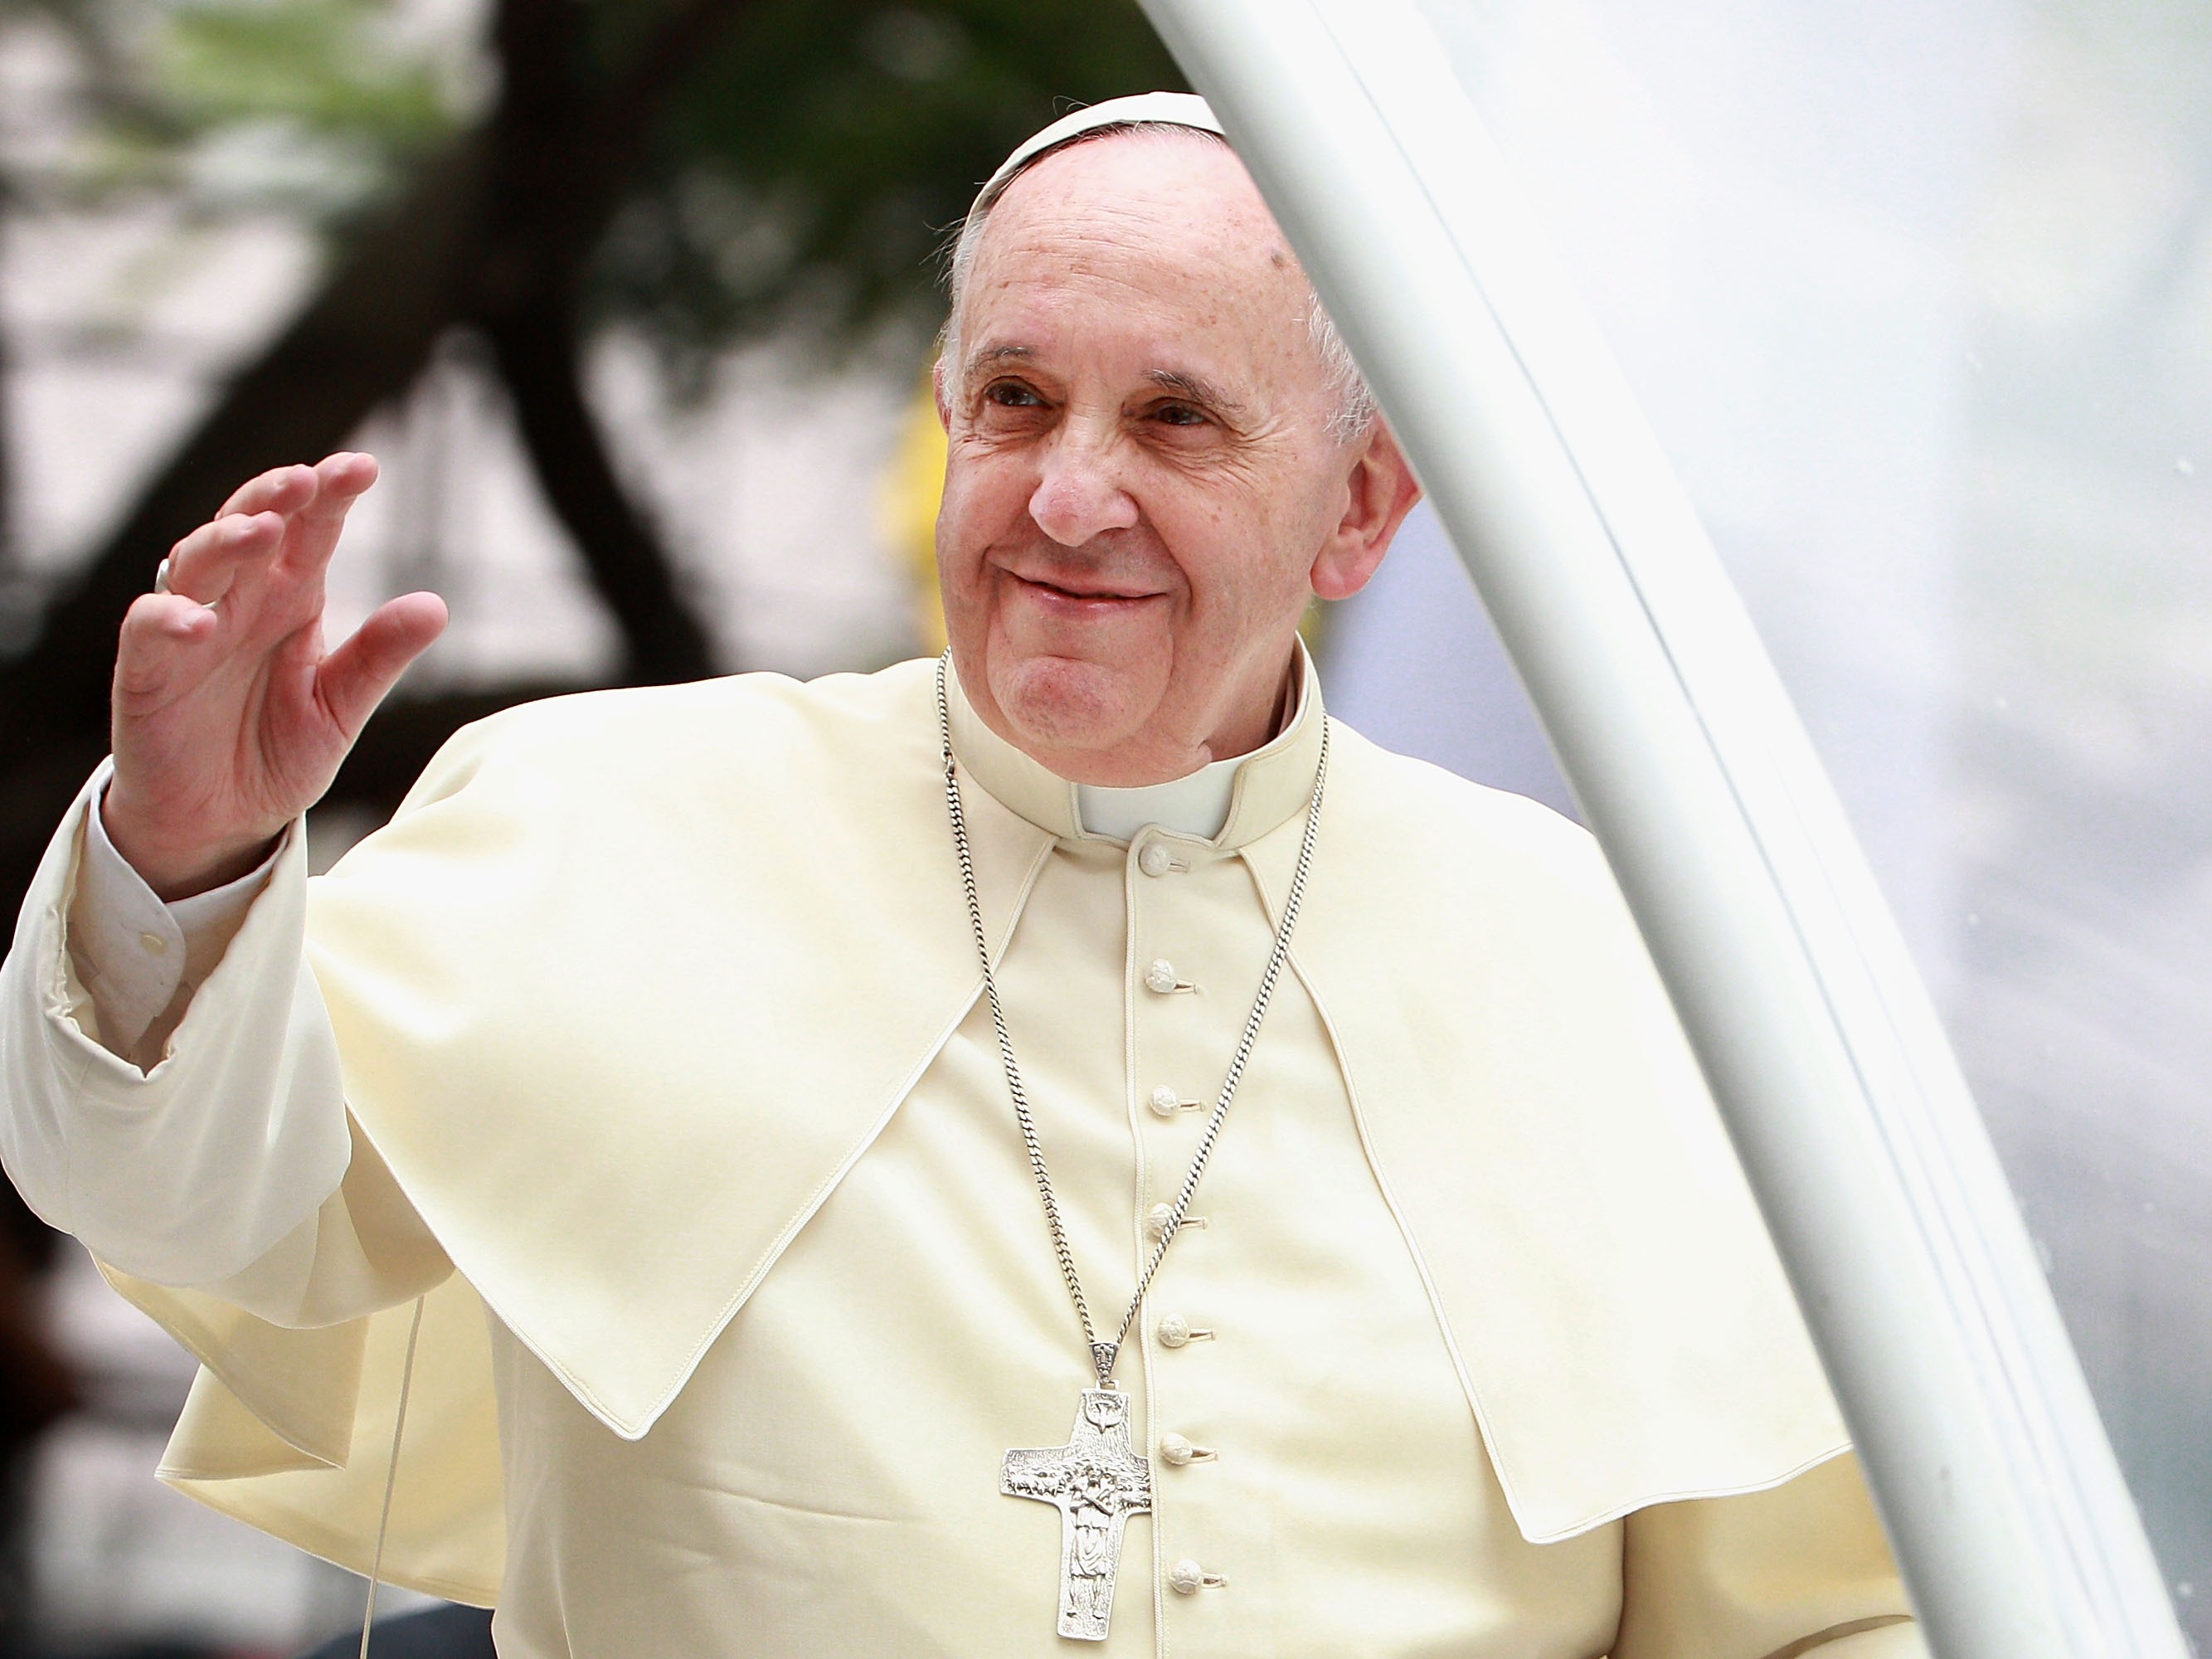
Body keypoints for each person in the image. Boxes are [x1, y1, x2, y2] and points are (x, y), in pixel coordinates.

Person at [0, 95, 1925, 1657]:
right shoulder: (609, 817)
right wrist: (189, 856)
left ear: (1356, 507)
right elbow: (189, 1204)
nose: (1068, 494)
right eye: (1016, 400)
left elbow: (1803, 1613)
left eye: (1173, 415)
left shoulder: (1597, 956)